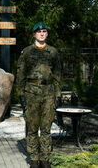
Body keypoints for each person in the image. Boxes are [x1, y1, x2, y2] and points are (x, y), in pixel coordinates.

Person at [16, 22, 61, 168]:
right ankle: (34, 158)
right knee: (32, 127)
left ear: (47, 34)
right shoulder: (27, 52)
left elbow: (58, 74)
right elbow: (20, 73)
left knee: (46, 128)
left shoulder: (53, 52)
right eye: (39, 31)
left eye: (44, 31)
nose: (42, 33)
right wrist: (20, 94)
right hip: (31, 93)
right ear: (34, 34)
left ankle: (45, 158)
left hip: (48, 93)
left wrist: (58, 95)